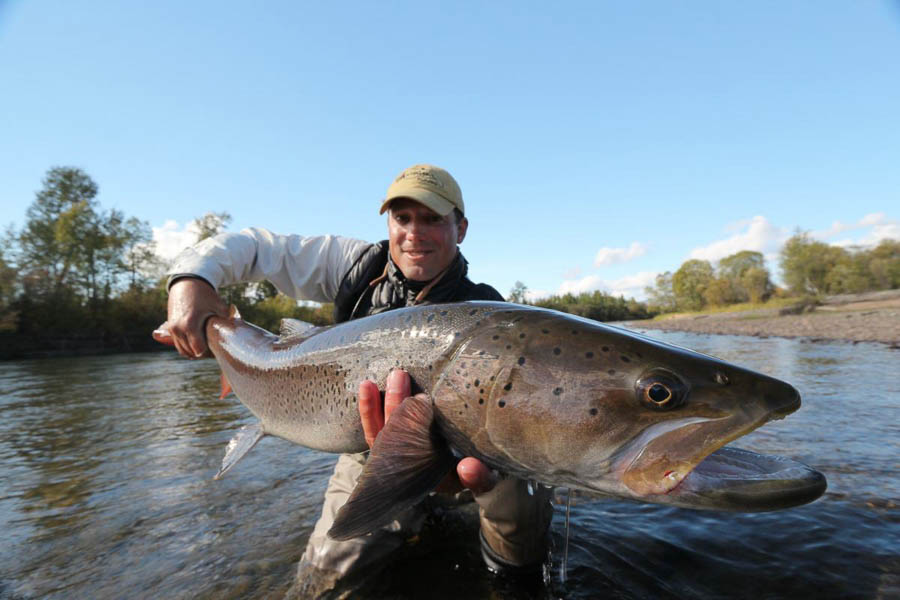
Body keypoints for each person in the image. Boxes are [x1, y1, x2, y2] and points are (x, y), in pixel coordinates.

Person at [164, 164, 553, 597]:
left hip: (468, 454)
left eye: (432, 219)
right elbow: (258, 247)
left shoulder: (489, 314)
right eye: (402, 218)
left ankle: (511, 580)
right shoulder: (355, 266)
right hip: (364, 449)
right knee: (328, 579)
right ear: (388, 223)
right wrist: (191, 278)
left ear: (460, 228)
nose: (413, 233)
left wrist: (441, 464)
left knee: (522, 523)